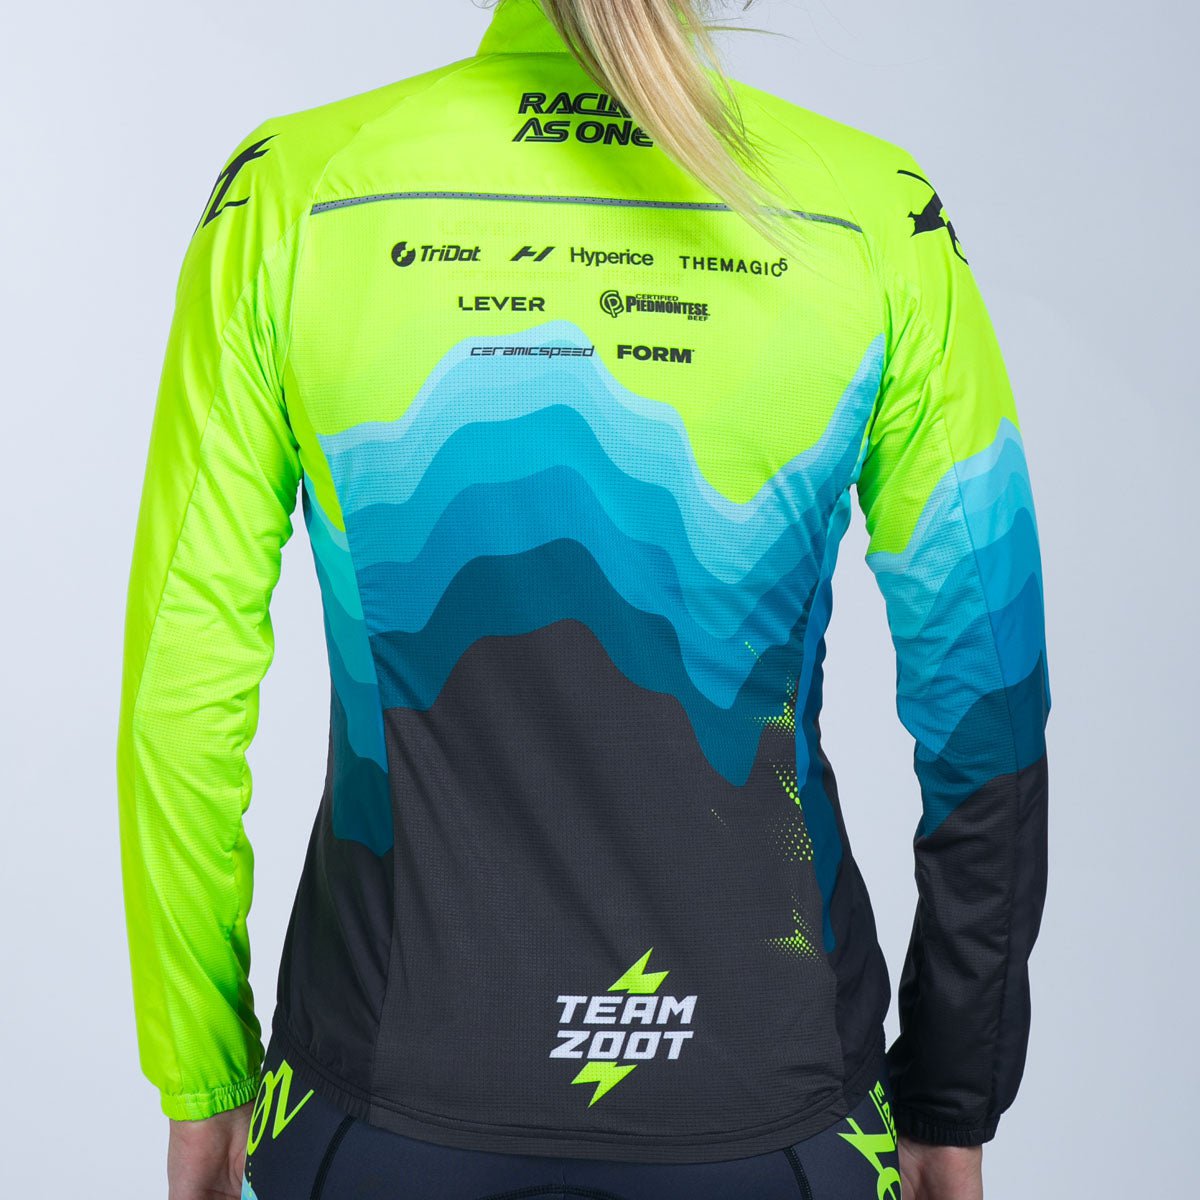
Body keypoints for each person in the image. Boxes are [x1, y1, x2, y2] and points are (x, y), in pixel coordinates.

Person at [116, 0, 1051, 1197]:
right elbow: (987, 707)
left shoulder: (293, 191)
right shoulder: (877, 214)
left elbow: (179, 703)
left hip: (382, 1100)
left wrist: (202, 1078)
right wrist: (952, 1094)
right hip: (772, 1109)